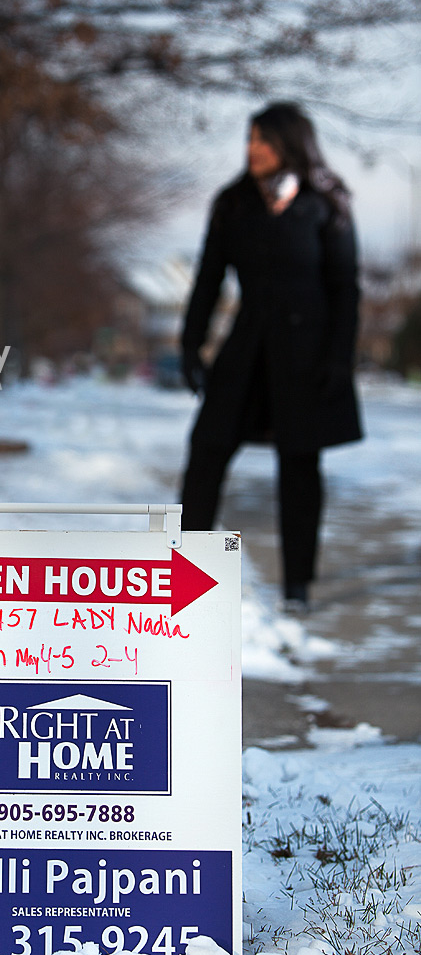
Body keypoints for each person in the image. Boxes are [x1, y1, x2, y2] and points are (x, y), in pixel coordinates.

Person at [179, 101, 362, 610]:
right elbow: (209, 278)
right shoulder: (233, 203)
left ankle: (297, 585)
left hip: (307, 356)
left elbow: (345, 288)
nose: (252, 149)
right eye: (249, 139)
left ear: (290, 143)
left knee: (300, 466)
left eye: (263, 139)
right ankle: (186, 575)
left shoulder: (328, 203)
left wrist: (338, 360)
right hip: (245, 351)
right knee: (206, 453)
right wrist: (191, 343)